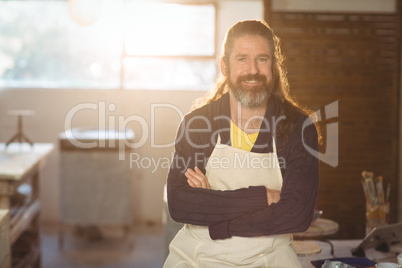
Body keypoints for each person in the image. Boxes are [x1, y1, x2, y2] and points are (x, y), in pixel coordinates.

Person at [164, 20, 320, 268]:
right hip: (199, 257)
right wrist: (262, 198)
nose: (253, 70)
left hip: (271, 258)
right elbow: (181, 204)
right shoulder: (197, 124)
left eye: (262, 59)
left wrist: (216, 214)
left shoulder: (299, 128)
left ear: (274, 66)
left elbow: (298, 215)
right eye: (242, 59)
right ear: (225, 66)